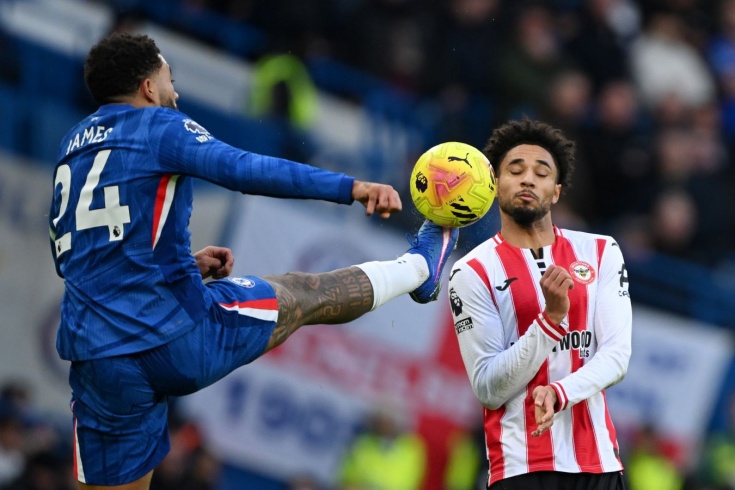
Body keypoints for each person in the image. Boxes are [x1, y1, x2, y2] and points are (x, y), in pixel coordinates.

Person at [48, 32, 459, 490]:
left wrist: (176, 264)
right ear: (148, 87)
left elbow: (74, 254)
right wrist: (350, 187)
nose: (175, 93)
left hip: (96, 356)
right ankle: (420, 269)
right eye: (169, 80)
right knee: (303, 293)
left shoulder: (72, 146)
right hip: (173, 335)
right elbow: (245, 168)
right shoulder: (159, 125)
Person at [447, 119, 632, 490]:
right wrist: (550, 321)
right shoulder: (471, 271)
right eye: (516, 171)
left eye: (541, 173)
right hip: (522, 468)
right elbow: (488, 388)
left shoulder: (600, 251)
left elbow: (616, 357)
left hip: (598, 464)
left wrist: (560, 392)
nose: (528, 180)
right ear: (494, 185)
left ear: (556, 191)